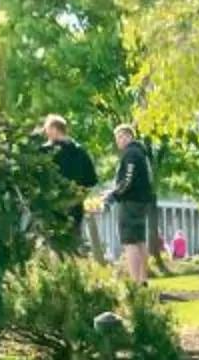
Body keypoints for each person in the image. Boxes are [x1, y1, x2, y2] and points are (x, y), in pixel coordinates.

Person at [100, 123, 158, 284]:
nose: (118, 141)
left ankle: (135, 282)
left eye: (121, 137)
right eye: (117, 137)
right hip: (142, 201)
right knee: (140, 240)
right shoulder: (142, 153)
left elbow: (128, 180)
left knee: (129, 241)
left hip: (131, 202)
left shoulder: (131, 154)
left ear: (129, 136)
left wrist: (113, 195)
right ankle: (143, 279)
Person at [38, 116, 99, 252]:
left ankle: (54, 269)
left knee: (52, 241)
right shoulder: (80, 151)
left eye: (47, 129)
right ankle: (72, 268)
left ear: (54, 129)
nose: (46, 133)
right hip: (75, 203)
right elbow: (92, 180)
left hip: (51, 203)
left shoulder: (45, 151)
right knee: (73, 240)